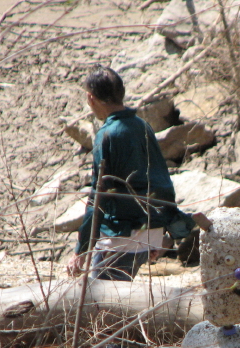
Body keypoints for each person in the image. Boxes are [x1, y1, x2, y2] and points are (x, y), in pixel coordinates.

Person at [66, 66, 192, 280]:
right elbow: (161, 181)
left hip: (121, 238)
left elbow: (98, 198)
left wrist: (81, 249)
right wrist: (155, 231)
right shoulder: (142, 126)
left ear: (91, 98)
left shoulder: (107, 135)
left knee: (100, 298)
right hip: (148, 234)